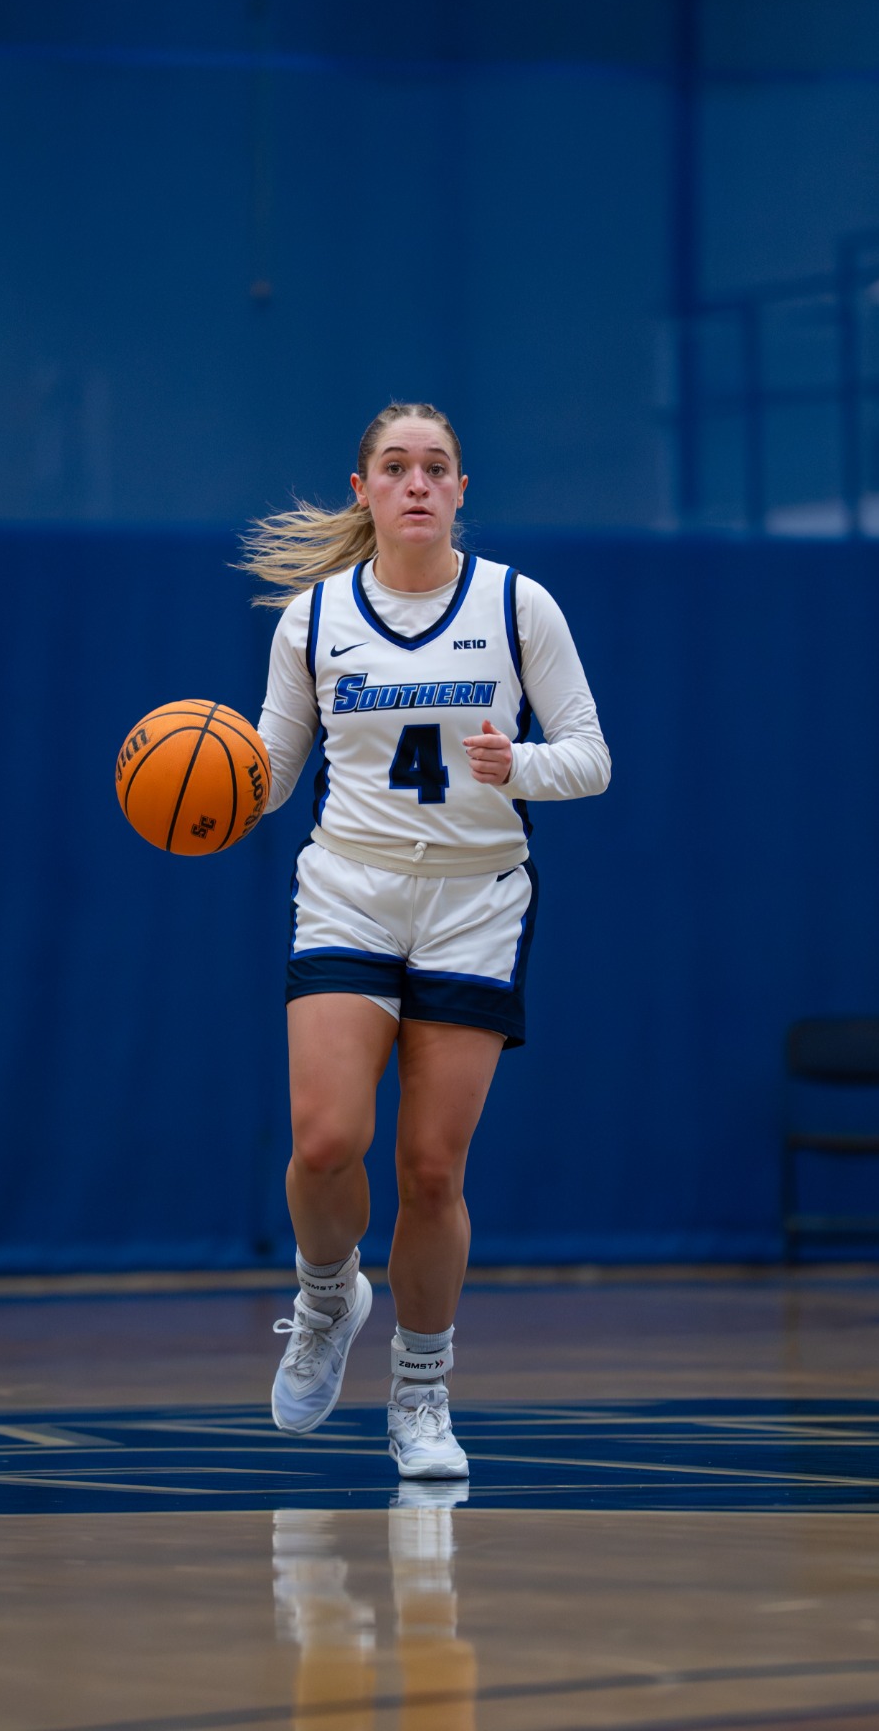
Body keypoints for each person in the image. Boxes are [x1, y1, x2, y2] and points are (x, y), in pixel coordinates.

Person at [241, 403, 610, 1480]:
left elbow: (589, 754)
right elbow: (269, 772)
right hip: (350, 889)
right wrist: (207, 785)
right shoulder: (312, 619)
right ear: (361, 489)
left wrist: (522, 766)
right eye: (394, 466)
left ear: (459, 489)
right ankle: (325, 1298)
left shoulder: (514, 603)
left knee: (432, 1168)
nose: (415, 482)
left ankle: (420, 1391)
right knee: (323, 1140)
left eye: (434, 466)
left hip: (473, 899)